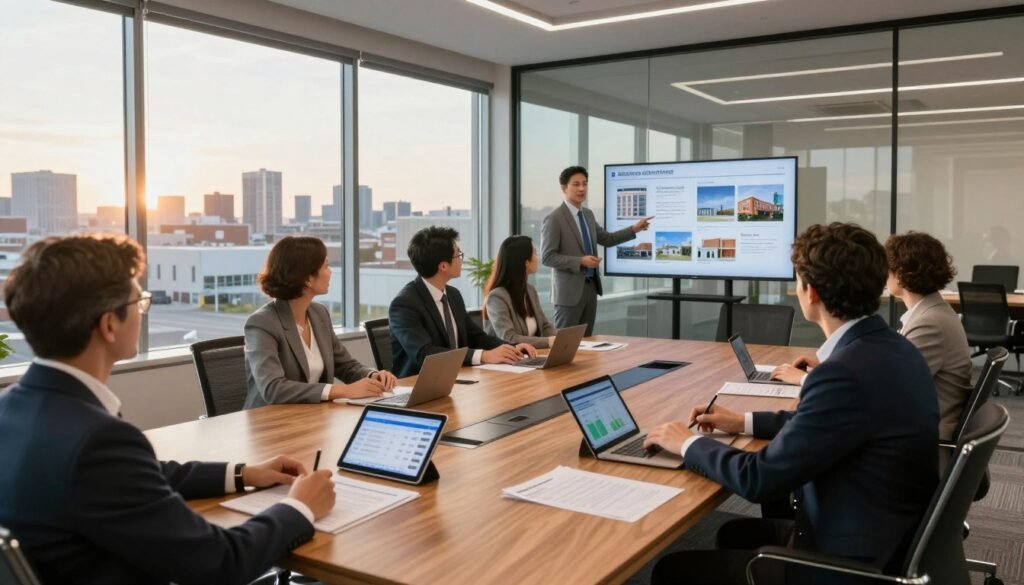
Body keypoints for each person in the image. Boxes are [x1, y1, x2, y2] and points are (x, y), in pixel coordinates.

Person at [0, 234, 336, 585]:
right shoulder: (97, 440)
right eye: (139, 303)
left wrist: (243, 473)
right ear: (109, 324)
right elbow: (220, 562)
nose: (143, 313)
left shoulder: (13, 408)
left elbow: (138, 476)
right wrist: (300, 507)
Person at [643, 223, 939, 584]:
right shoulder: (890, 348)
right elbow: (825, 424)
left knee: (672, 571)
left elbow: (759, 480)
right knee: (734, 534)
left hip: (849, 563)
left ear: (809, 291)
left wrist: (686, 443)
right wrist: (742, 423)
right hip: (885, 533)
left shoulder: (844, 373)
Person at [244, 236, 397, 408]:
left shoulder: (319, 313)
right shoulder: (262, 323)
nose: (330, 272)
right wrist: (344, 391)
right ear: (307, 279)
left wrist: (372, 376)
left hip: (311, 415)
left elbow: (345, 365)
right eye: (326, 265)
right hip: (269, 422)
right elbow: (273, 388)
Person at [390, 226, 537, 378]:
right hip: (420, 386)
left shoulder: (453, 295)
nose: (461, 259)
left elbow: (476, 336)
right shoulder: (405, 304)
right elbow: (425, 353)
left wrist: (512, 347)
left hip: (459, 377)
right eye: (458, 255)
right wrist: (484, 356)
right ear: (443, 266)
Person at [541, 165, 652, 335]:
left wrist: (634, 229)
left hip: (590, 290)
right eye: (576, 184)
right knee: (565, 344)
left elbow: (607, 239)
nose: (582, 188)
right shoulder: (554, 218)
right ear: (564, 188)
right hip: (568, 295)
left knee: (587, 344)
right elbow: (548, 257)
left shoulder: (588, 215)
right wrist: (580, 261)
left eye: (585, 184)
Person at [886, 231, 972, 442]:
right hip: (921, 426)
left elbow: (890, 386)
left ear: (900, 274)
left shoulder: (929, 323)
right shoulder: (933, 311)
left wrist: (809, 379)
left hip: (924, 441)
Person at [483, 235, 557, 348]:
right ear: (526, 262)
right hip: (507, 360)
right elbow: (508, 337)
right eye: (535, 253)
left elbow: (545, 327)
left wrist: (563, 338)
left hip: (531, 357)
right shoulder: (497, 297)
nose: (538, 258)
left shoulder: (530, 291)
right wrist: (547, 342)